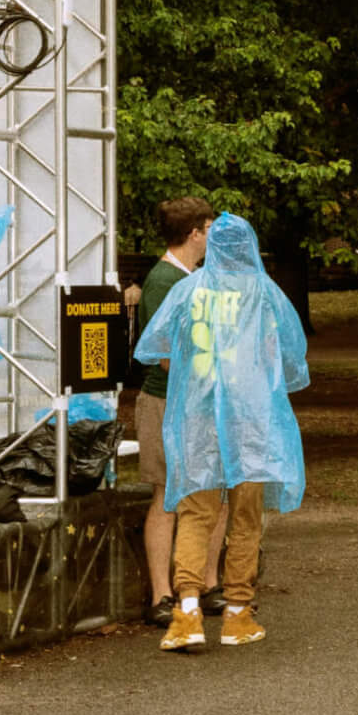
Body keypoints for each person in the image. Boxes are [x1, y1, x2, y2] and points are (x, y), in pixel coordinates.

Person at [134, 214, 310, 653]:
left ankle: (186, 612)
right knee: (245, 517)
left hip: (198, 421)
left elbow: (158, 351)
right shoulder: (264, 293)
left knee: (196, 515)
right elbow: (290, 354)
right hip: (251, 423)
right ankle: (237, 613)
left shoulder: (188, 289)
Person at [131, 197, 229, 625]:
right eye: (209, 228)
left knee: (216, 493)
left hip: (200, 401)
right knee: (168, 496)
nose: (212, 237)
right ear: (195, 233)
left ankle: (207, 584)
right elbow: (165, 355)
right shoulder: (163, 282)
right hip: (166, 401)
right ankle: (162, 595)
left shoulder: (197, 277)